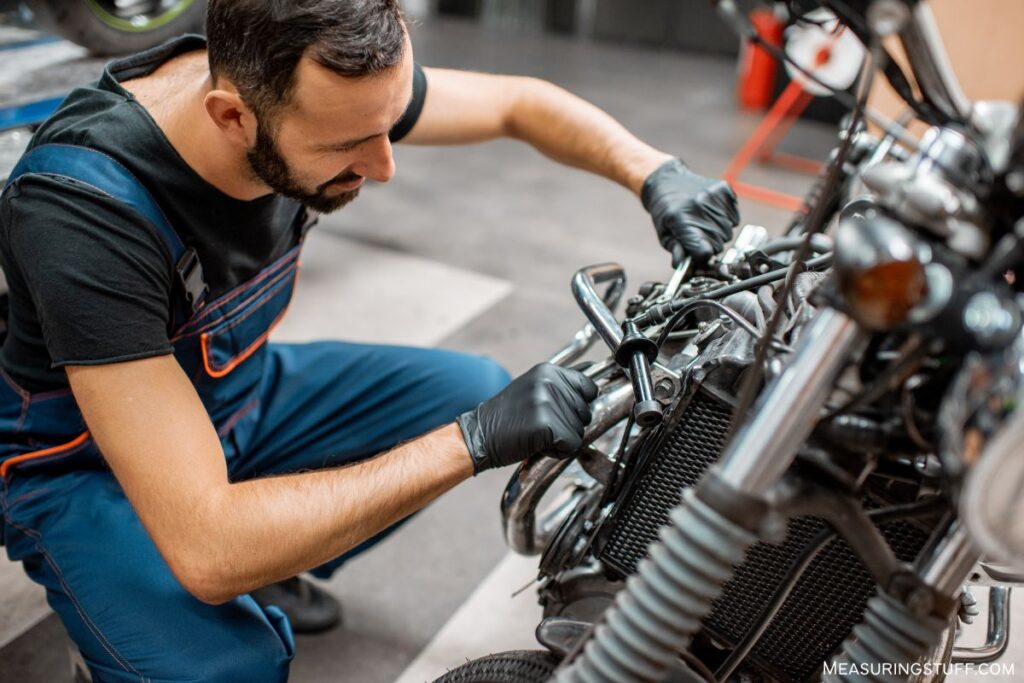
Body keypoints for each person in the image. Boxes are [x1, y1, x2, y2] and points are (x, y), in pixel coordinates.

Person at [0, 1, 739, 680]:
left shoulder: (315, 82)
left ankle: (276, 547)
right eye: (351, 144)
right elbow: (207, 547)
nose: (385, 165)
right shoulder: (86, 209)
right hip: (83, 465)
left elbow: (522, 104)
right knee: (228, 663)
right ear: (231, 118)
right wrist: (473, 441)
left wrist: (655, 173)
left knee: (467, 384)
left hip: (234, 395)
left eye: (388, 126)